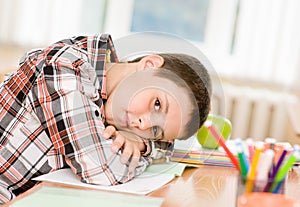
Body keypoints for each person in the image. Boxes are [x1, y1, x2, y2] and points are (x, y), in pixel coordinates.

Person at [0, 34, 211, 203]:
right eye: (157, 104)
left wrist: (143, 144)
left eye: (155, 130)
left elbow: (168, 148)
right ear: (149, 65)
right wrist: (141, 152)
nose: (143, 123)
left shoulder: (115, 103)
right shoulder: (64, 65)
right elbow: (101, 169)